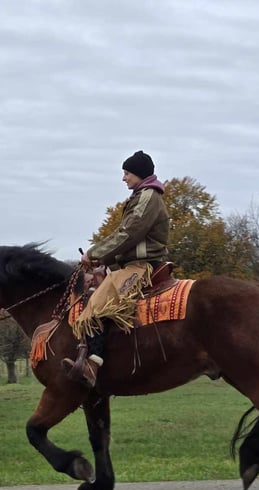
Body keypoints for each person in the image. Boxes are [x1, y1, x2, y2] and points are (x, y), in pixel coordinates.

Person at [62, 150, 169, 388]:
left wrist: (95, 253)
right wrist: (103, 259)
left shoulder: (147, 197)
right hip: (130, 264)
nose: (124, 178)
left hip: (141, 267)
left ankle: (92, 365)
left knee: (98, 305)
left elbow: (129, 233)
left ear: (139, 174)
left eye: (127, 173)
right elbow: (125, 238)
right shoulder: (141, 196)